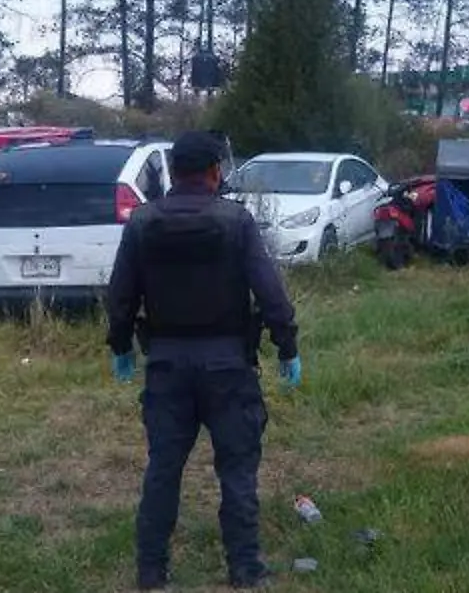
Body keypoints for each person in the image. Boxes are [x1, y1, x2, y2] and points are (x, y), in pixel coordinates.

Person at [106, 130, 302, 591]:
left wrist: (120, 346)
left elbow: (121, 295)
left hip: (166, 364)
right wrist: (286, 346)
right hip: (228, 365)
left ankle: (151, 572)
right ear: (215, 171)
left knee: (163, 469)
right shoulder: (236, 221)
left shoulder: (142, 222)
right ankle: (245, 570)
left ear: (173, 172)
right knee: (237, 469)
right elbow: (270, 292)